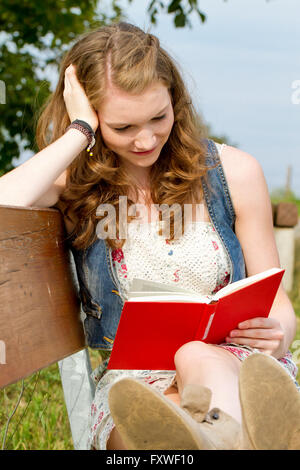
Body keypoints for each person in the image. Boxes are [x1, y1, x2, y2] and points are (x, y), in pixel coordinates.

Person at [0, 22, 299, 450]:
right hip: (138, 381)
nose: (145, 139)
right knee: (162, 424)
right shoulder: (73, 184)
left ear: (175, 99)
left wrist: (280, 332)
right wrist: (78, 132)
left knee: (195, 358)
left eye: (158, 117)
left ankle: (215, 434)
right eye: (122, 127)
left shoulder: (233, 172)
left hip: (236, 364)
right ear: (90, 114)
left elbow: (277, 301)